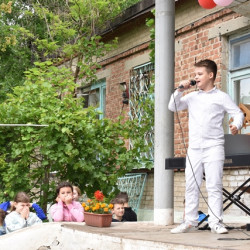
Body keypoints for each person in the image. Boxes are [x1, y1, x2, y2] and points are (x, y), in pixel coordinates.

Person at [168, 59, 244, 234]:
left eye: (199, 74)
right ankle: (190, 221)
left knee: (214, 185)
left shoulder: (221, 97)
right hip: (194, 148)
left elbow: (237, 113)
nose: (196, 77)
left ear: (211, 75)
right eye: (195, 74)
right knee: (191, 184)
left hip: (214, 146)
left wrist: (236, 125)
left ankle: (216, 222)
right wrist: (180, 89)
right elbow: (173, 106)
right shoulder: (192, 96)